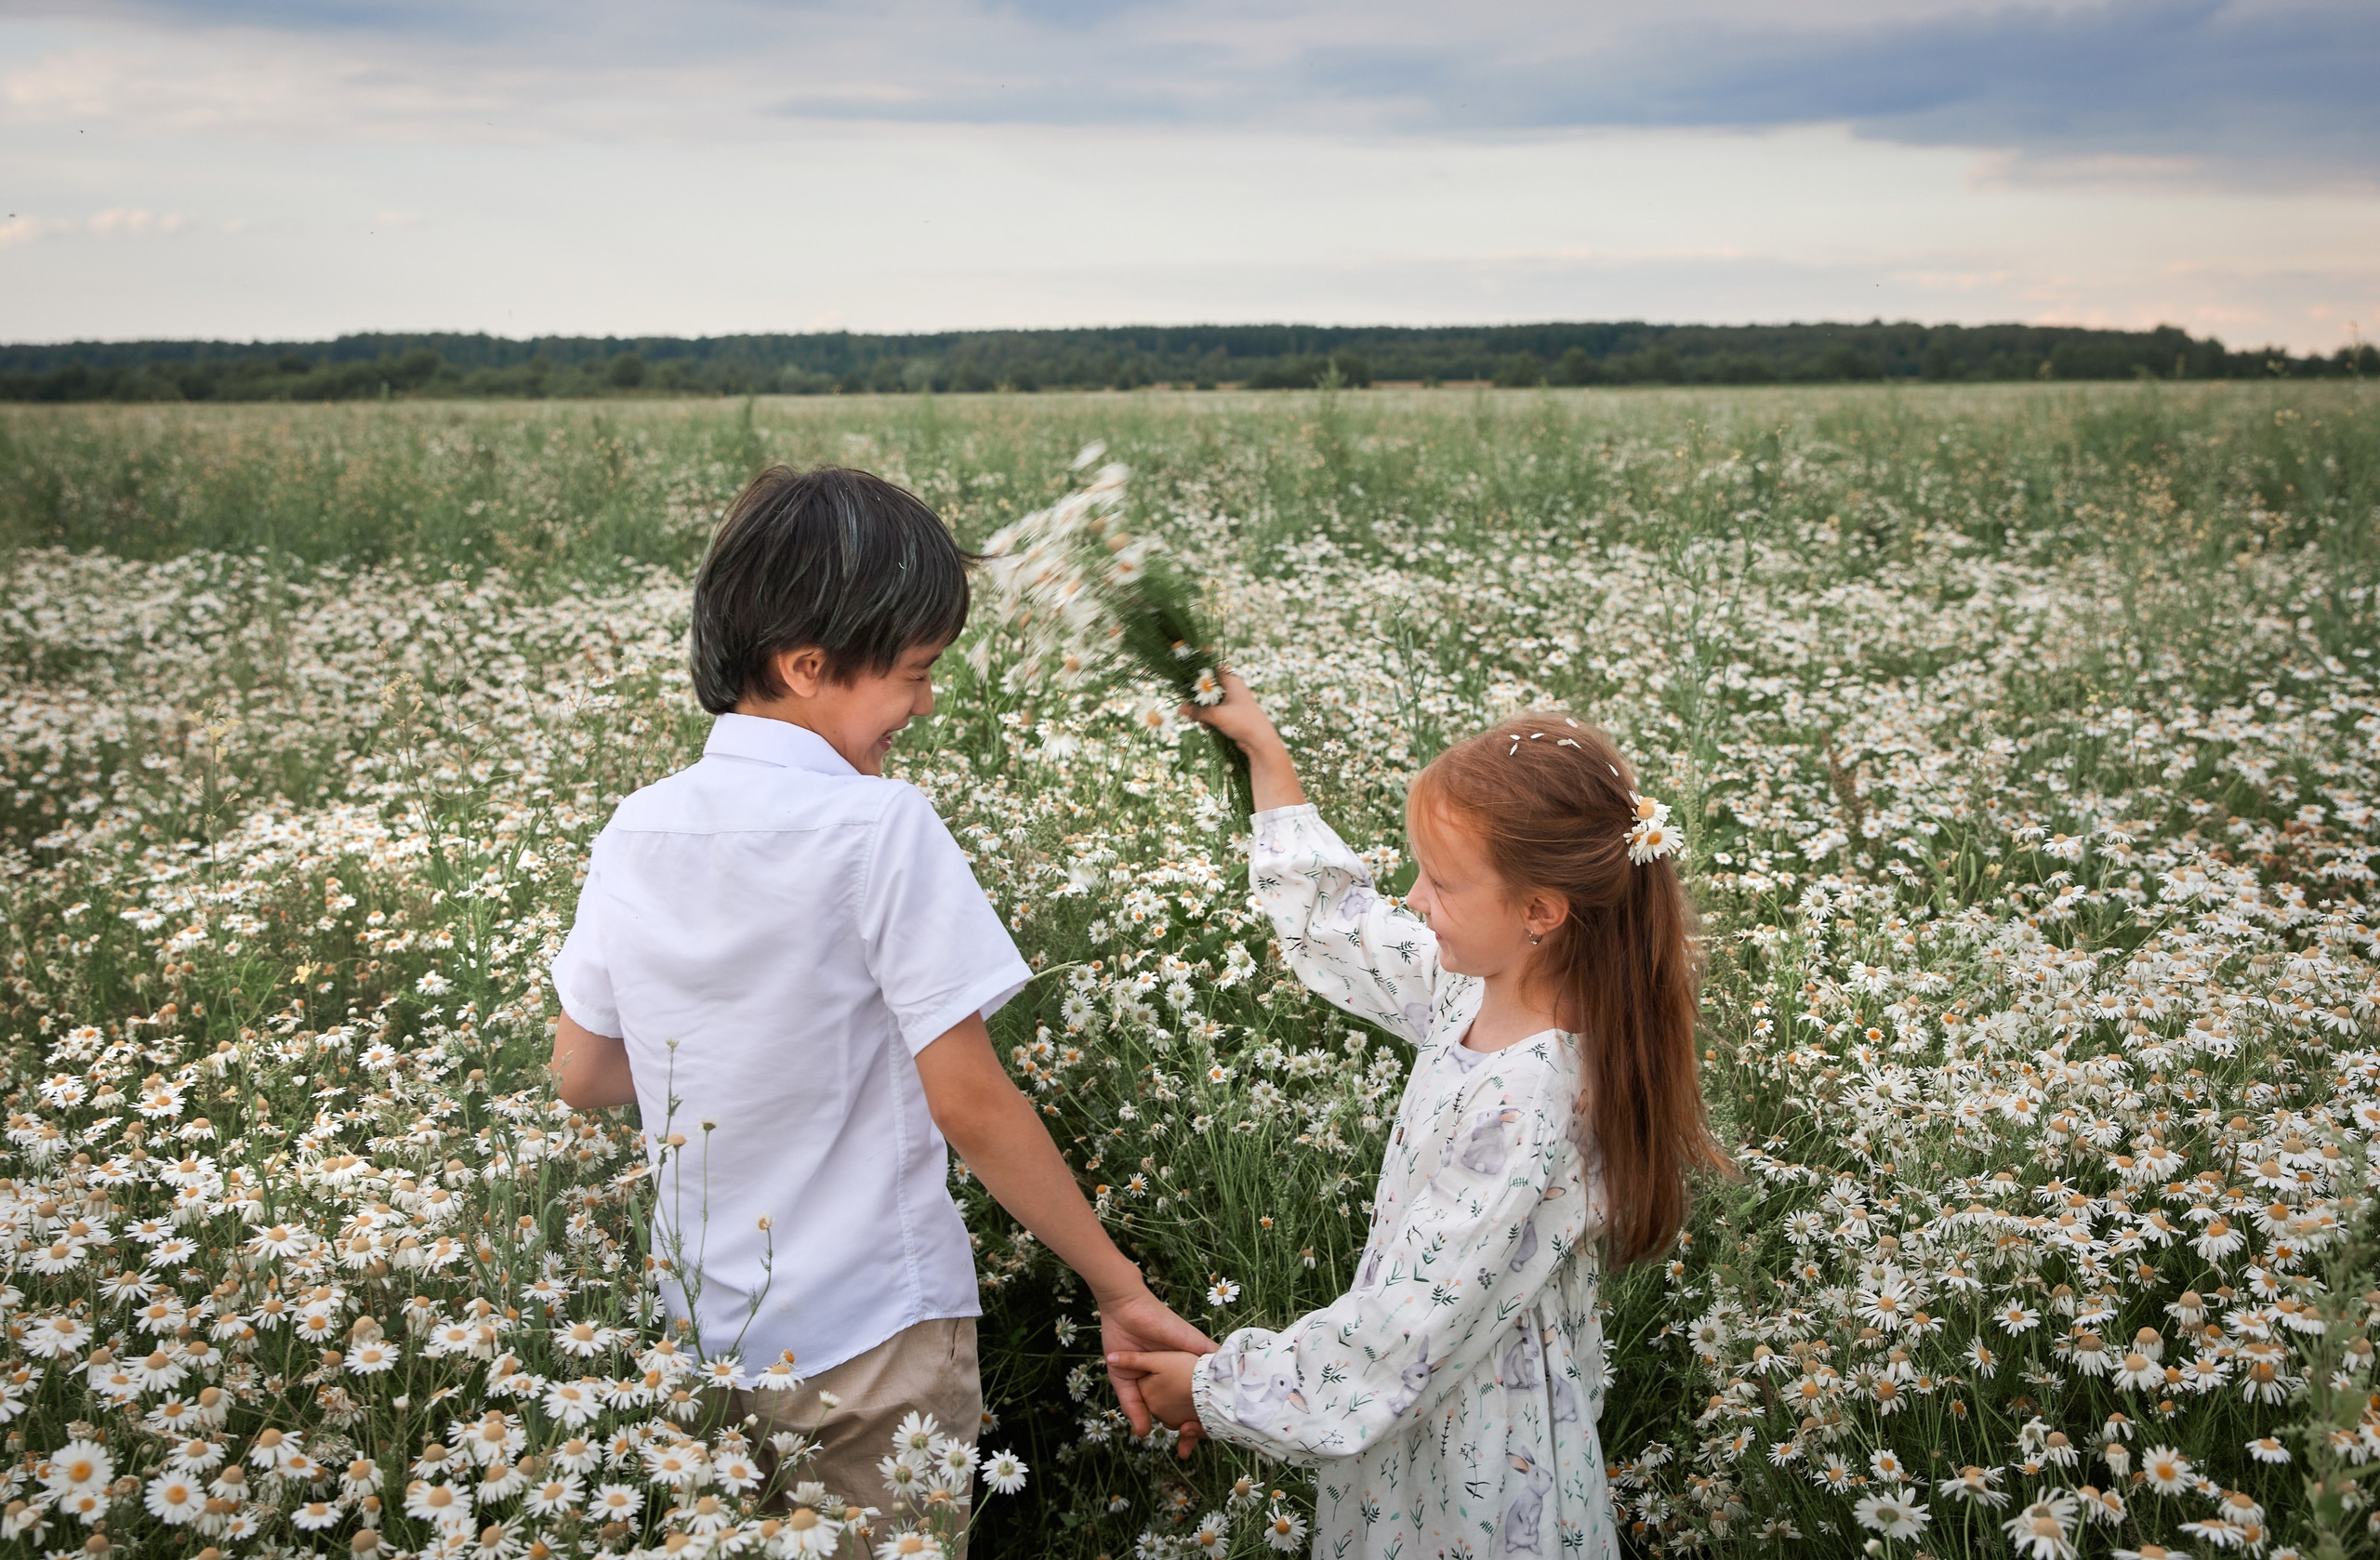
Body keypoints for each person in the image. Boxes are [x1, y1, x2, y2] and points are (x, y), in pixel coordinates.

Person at [545, 465, 1212, 1526]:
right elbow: (970, 1101)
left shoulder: (638, 825)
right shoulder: (879, 824)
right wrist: (1117, 1286)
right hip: (873, 1336)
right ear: (808, 665)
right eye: (914, 673)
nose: (927, 702)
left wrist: (740, 1049)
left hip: (705, 1336)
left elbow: (581, 1073)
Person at [1110, 673, 1736, 1559]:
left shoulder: (1533, 1102)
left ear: (1540, 912)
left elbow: (1401, 1329)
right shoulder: (1472, 988)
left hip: (1483, 1456)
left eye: (1440, 882)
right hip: (1424, 1419)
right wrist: (1264, 750)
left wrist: (1216, 1390)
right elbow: (1340, 924)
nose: (1412, 898)